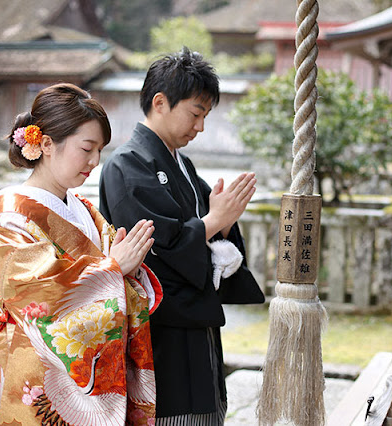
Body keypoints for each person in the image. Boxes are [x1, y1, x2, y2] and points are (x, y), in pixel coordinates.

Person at [0, 83, 162, 426]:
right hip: (39, 373)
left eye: (100, 150)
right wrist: (113, 267)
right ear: (45, 144)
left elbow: (115, 275)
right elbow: (33, 294)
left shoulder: (84, 209)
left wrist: (125, 269)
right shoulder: (12, 213)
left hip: (91, 372)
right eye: (87, 148)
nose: (94, 161)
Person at [99, 47, 265, 425]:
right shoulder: (127, 164)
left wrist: (223, 221)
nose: (201, 126)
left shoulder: (181, 163)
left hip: (195, 318)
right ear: (160, 102)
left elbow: (211, 226)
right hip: (163, 324)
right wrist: (214, 220)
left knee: (207, 406)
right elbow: (155, 246)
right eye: (195, 113)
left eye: (205, 115)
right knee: (174, 412)